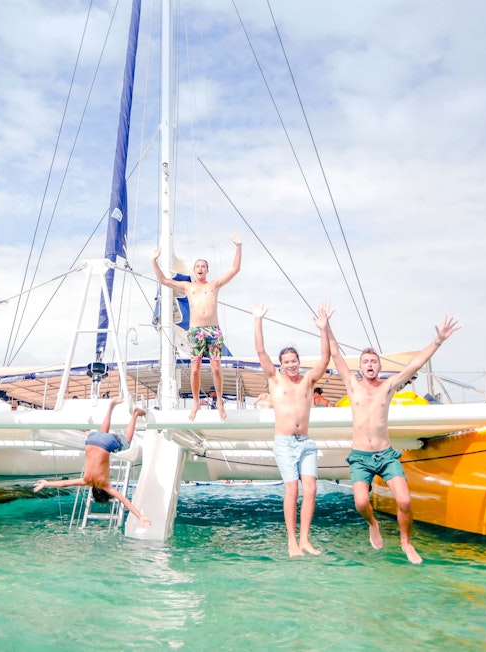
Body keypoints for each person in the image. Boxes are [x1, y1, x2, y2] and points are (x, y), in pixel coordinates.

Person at [330, 316, 461, 565]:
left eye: (374, 361)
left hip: (385, 455)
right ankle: (373, 523)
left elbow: (414, 365)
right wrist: (326, 328)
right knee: (360, 503)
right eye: (365, 361)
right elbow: (336, 354)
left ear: (379, 367)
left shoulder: (388, 386)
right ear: (360, 367)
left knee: (405, 500)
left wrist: (438, 340)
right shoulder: (353, 386)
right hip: (360, 457)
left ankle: (406, 543)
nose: (370, 364)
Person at [253, 301, 334, 557]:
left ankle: (306, 540)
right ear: (281, 364)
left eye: (294, 360)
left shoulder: (308, 380)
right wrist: (258, 320)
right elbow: (260, 351)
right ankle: (291, 541)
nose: (291, 364)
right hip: (285, 442)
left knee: (310, 490)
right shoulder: (275, 380)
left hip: (306, 443)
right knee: (293, 489)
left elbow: (325, 359)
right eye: (286, 361)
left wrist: (323, 328)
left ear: (299, 361)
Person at [152, 235, 242, 421]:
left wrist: (238, 246)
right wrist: (154, 261)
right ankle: (195, 403)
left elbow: (235, 269)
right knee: (195, 369)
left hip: (213, 330)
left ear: (207, 270)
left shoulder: (214, 284)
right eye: (198, 266)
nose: (200, 268)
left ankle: (219, 402)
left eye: (203, 266)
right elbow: (163, 280)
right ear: (194, 271)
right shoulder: (188, 286)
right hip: (196, 331)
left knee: (216, 367)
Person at [33, 397, 152, 528]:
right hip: (91, 439)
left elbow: (125, 501)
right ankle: (111, 407)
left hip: (106, 443)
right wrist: (46, 483)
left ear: (105, 493)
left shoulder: (106, 486)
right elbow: (64, 484)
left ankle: (135, 414)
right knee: (102, 433)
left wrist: (141, 517)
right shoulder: (86, 481)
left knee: (127, 444)